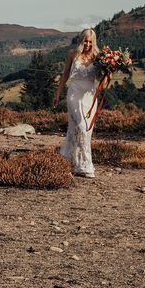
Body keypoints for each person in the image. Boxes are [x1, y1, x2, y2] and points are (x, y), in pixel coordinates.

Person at [54, 28, 99, 177]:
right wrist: (58, 92)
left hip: (90, 97)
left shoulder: (98, 57)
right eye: (85, 40)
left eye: (90, 41)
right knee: (79, 127)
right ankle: (85, 166)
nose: (87, 44)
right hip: (74, 94)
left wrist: (110, 70)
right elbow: (65, 74)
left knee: (86, 131)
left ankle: (71, 161)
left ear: (93, 43)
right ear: (81, 40)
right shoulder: (72, 54)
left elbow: (103, 81)